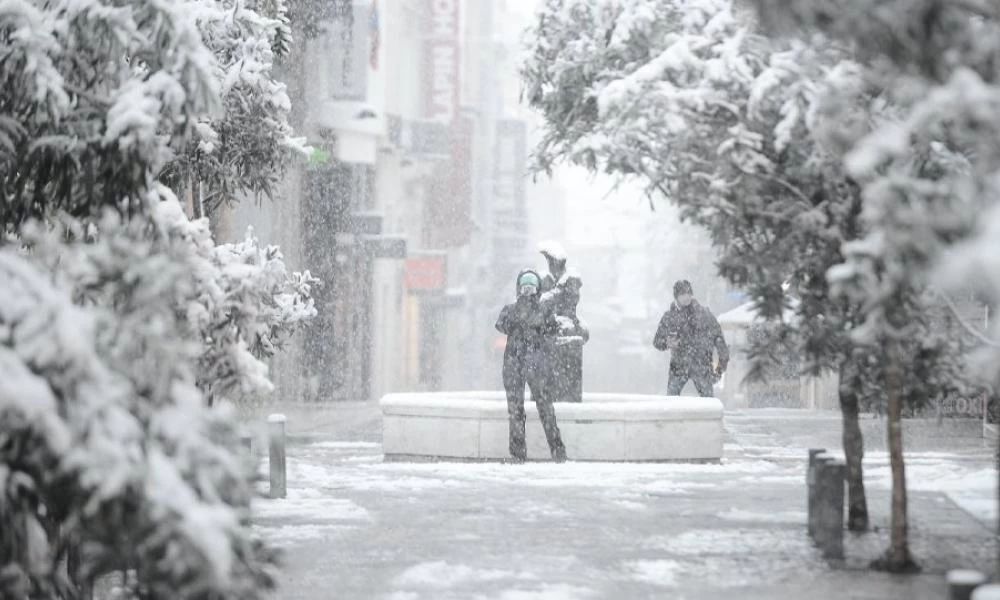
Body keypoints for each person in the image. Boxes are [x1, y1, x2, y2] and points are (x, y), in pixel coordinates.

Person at [495, 269, 568, 463]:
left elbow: (551, 330)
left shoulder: (533, 311)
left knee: (531, 410)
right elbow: (502, 325)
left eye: (531, 288)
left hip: (521, 365)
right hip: (525, 366)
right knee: (532, 409)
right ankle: (554, 452)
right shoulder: (517, 310)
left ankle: (530, 453)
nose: (528, 292)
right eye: (525, 288)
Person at [652, 280, 729, 397]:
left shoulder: (704, 314)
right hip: (678, 366)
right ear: (676, 297)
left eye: (688, 293)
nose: (686, 297)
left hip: (702, 365)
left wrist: (720, 367)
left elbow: (718, 338)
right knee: (671, 401)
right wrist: (667, 343)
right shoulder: (669, 317)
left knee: (708, 403)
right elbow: (657, 341)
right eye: (682, 294)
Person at [537, 241, 589, 403]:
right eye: (549, 261)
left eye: (551, 261)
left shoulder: (570, 279)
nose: (550, 265)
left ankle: (564, 391)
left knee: (572, 333)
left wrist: (550, 296)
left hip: (568, 322)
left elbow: (555, 299)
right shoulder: (548, 279)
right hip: (553, 324)